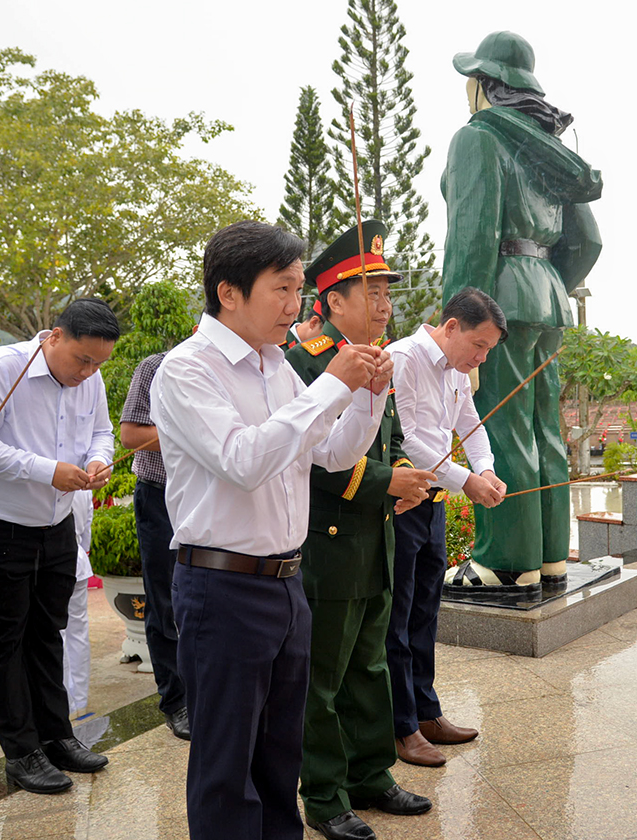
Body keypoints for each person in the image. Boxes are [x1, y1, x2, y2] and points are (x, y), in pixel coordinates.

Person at [151, 220, 390, 840]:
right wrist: (332, 384)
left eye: (297, 289)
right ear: (229, 292)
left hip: (287, 583)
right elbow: (246, 460)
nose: (295, 306)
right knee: (227, 764)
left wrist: (365, 397)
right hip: (222, 586)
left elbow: (332, 455)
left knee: (280, 757)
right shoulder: (187, 370)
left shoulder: (276, 367)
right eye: (282, 289)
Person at [286, 221, 437, 840]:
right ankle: (324, 796)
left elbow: (389, 440)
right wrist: (381, 484)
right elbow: (306, 458)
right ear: (332, 303)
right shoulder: (302, 366)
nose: (384, 305)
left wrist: (402, 476)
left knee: (370, 665)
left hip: (378, 539)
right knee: (323, 678)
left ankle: (372, 775)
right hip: (327, 540)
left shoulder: (381, 361)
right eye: (370, 292)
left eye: (386, 293)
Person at [441, 31, 602, 592]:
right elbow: (587, 243)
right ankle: (551, 554)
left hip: (496, 300)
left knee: (501, 425)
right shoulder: (549, 151)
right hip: (546, 300)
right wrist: (548, 285)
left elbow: (470, 240)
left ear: (485, 86)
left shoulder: (479, 139)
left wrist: (460, 328)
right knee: (542, 428)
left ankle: (505, 561)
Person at [0, 298, 118, 794]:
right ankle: (21, 753)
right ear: (54, 337)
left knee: (48, 634)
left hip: (56, 527)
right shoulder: (1, 369)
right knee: (3, 643)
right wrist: (48, 471)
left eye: (98, 364)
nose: (88, 372)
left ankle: (57, 737)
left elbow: (102, 432)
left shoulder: (91, 376)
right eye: (82, 360)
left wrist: (98, 461)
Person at [386, 287, 508, 767]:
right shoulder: (404, 358)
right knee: (397, 616)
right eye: (477, 346)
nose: (479, 357)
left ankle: (426, 710)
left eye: (488, 351)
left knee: (425, 611)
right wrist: (467, 482)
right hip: (403, 500)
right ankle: (401, 727)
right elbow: (410, 439)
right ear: (451, 326)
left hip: (433, 501)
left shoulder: (457, 370)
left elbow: (470, 422)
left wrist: (488, 468)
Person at [120, 350, 188, 739]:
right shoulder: (157, 365)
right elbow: (131, 435)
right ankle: (176, 700)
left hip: (212, 496)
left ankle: (205, 694)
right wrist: (195, 436)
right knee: (166, 600)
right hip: (162, 495)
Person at [61, 490, 93, 718]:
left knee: (58, 635)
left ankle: (66, 701)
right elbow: (86, 531)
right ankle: (79, 699)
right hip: (78, 559)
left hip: (58, 561)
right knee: (78, 633)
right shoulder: (83, 487)